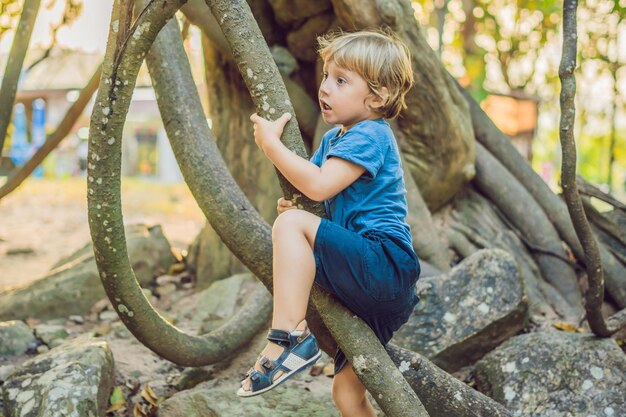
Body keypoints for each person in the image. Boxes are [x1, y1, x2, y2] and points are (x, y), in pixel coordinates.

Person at [238, 30, 421, 416]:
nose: (325, 88)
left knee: (289, 227)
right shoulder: (335, 141)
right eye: (326, 76)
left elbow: (319, 187)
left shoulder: (370, 134)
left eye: (341, 81)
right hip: (378, 286)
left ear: (378, 96)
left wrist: (272, 146)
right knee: (346, 395)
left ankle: (288, 337)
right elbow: (316, 192)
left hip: (383, 262)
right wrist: (296, 206)